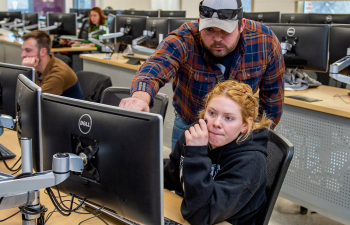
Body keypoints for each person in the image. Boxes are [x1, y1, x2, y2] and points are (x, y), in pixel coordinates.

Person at [119, 0, 285, 149]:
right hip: (190, 125)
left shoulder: (265, 41)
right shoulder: (185, 38)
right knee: (180, 180)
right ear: (199, 23)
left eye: (225, 31)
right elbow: (155, 66)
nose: (217, 38)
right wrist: (140, 98)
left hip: (237, 131)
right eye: (210, 29)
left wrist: (254, 135)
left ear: (241, 25)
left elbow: (273, 97)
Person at [164, 80, 273, 225]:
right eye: (212, 113)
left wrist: (196, 154)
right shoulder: (194, 136)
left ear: (245, 126)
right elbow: (171, 175)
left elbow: (202, 215)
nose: (216, 123)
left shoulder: (251, 162)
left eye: (228, 118)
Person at [21, 30, 84, 100]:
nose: (22, 55)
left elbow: (34, 101)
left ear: (43, 52)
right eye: (23, 50)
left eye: (28, 50)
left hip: (68, 110)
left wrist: (28, 72)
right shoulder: (37, 67)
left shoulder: (57, 74)